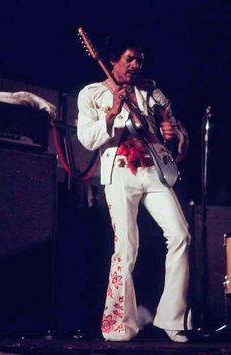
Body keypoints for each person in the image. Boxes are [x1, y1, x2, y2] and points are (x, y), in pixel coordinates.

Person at [77, 35, 192, 343]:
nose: (135, 64)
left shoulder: (151, 91)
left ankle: (172, 319)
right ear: (113, 60)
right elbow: (87, 139)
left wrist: (173, 132)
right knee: (127, 248)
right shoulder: (92, 94)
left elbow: (177, 130)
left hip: (154, 172)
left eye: (139, 59)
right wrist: (112, 114)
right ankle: (119, 325)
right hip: (120, 175)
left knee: (181, 235)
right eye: (129, 58)